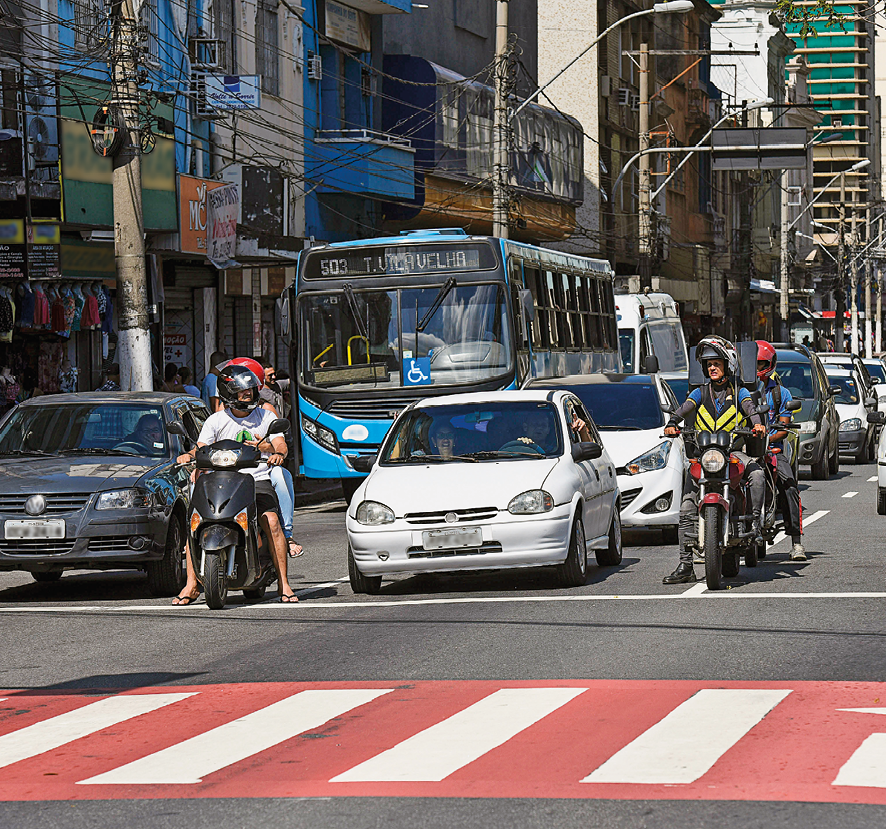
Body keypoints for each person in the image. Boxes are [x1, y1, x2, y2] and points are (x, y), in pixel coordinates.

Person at [175, 363, 298, 603]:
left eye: (251, 391)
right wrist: (189, 457)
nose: (249, 396)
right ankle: (191, 584)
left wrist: (275, 453)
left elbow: (280, 443)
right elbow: (201, 447)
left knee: (272, 521)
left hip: (257, 478)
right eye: (244, 392)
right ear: (229, 394)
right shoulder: (216, 420)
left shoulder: (266, 416)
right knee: (195, 521)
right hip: (219, 479)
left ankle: (285, 583)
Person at [662, 335, 767, 585]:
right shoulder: (699, 393)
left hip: (732, 453)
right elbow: (685, 407)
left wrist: (757, 424)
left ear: (727, 364)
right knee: (687, 504)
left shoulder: (739, 391)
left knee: (757, 474)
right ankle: (686, 564)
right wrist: (673, 422)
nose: (712, 368)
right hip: (705, 455)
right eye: (708, 364)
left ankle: (756, 525)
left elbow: (750, 408)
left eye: (716, 362)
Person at [228, 357, 303, 560]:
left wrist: (269, 449)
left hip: (262, 471)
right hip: (231, 472)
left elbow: (280, 446)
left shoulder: (266, 412)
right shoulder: (222, 414)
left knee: (280, 474)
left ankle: (287, 535)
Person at [757, 340, 806, 561]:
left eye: (761, 364)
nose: (757, 370)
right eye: (753, 365)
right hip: (744, 452)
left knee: (790, 488)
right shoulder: (736, 392)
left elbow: (784, 428)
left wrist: (767, 437)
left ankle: (796, 542)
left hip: (772, 451)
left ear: (770, 364)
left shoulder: (781, 393)